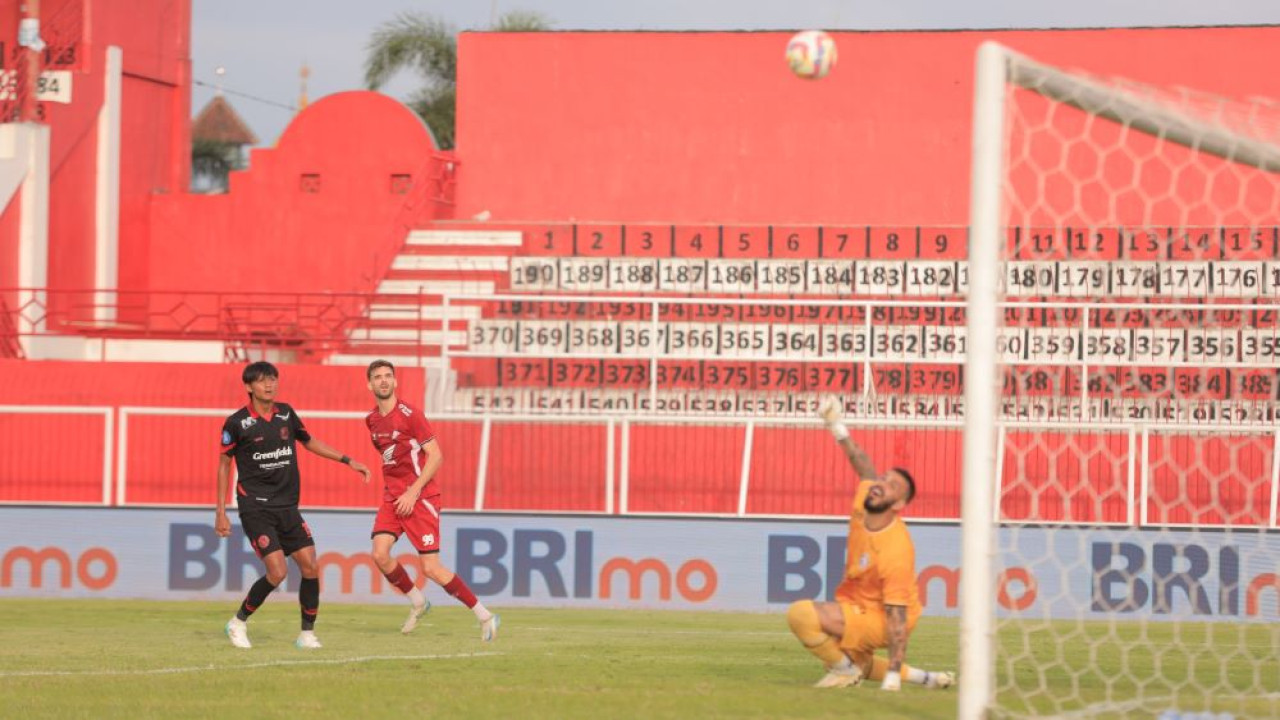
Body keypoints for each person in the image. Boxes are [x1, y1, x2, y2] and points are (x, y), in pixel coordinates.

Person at [785, 397, 955, 691]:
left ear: (898, 504)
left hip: (884, 619)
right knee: (854, 659)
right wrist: (837, 426)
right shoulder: (866, 500)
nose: (880, 484)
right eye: (884, 479)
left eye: (891, 486)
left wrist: (892, 674)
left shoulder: (896, 550)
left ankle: (845, 671)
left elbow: (897, 619)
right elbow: (864, 468)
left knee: (801, 615)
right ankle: (927, 679)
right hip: (857, 604)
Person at [215, 361, 371, 649]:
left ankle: (306, 635)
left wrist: (348, 461)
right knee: (278, 572)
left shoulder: (286, 413)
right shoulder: (237, 423)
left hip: (287, 506)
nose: (269, 385)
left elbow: (309, 442)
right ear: (249, 386)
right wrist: (221, 512)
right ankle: (238, 622)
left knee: (310, 566)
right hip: (255, 507)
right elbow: (224, 465)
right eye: (262, 380)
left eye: (273, 379)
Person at [364, 359, 499, 641]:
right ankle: (418, 601)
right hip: (393, 498)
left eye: (388, 375)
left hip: (420, 497)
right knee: (379, 554)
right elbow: (392, 459)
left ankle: (485, 615)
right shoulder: (372, 420)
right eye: (378, 377)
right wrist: (398, 491)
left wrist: (412, 492)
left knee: (431, 568)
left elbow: (436, 456)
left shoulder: (411, 414)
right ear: (370, 384)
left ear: (395, 381)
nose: (384, 380)